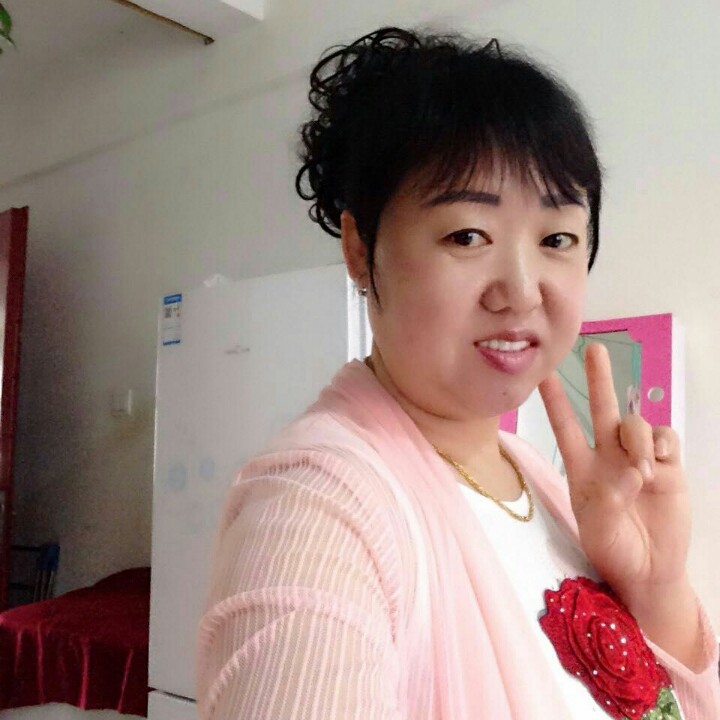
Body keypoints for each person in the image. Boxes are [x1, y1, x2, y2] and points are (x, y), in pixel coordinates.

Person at [196, 26, 720, 719]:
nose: (522, 291)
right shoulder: (315, 510)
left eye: (557, 238)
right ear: (359, 249)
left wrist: (655, 587)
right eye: (467, 235)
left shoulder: (536, 478)